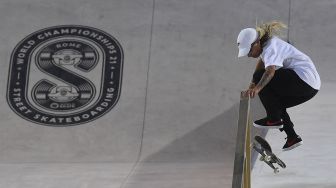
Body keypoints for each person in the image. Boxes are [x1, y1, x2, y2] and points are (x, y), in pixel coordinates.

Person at [237, 21, 321, 151]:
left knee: (263, 78)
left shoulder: (271, 47)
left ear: (256, 43)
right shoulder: (265, 47)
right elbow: (262, 62)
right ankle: (292, 137)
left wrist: (257, 89)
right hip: (311, 87)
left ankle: (273, 119)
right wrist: (252, 84)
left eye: (249, 51)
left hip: (304, 79)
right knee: (275, 102)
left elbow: (269, 72)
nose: (248, 55)